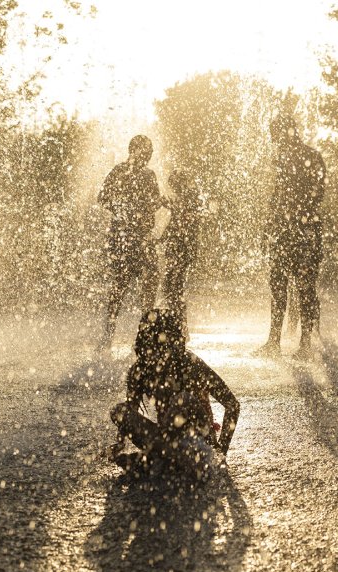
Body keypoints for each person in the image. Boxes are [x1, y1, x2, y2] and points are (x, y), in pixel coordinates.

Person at [109, 309, 240, 478]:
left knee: (182, 400)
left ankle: (156, 461)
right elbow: (130, 412)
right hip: (163, 442)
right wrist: (119, 444)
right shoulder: (140, 370)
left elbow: (232, 405)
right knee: (119, 411)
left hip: (198, 443)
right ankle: (164, 460)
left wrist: (221, 453)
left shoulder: (190, 363)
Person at [255, 104, 325, 359]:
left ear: (288, 132)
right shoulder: (282, 158)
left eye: (277, 135)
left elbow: (317, 195)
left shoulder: (311, 156)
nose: (275, 141)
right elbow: (276, 198)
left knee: (304, 287)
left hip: (304, 231)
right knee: (279, 285)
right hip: (286, 231)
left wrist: (297, 216)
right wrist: (268, 228)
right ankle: (274, 340)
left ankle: (305, 343)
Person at [96, 135, 162, 352]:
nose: (149, 155)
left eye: (151, 151)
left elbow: (153, 203)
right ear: (134, 151)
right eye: (146, 150)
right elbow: (103, 198)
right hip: (125, 238)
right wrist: (126, 210)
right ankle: (108, 338)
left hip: (140, 237)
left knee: (147, 283)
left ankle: (143, 337)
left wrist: (149, 206)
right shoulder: (120, 171)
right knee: (121, 286)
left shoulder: (148, 174)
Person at [161, 169, 204, 334]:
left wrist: (171, 205)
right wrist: (162, 238)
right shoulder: (184, 197)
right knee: (171, 286)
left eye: (175, 184)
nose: (173, 188)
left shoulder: (191, 196)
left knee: (175, 286)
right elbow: (174, 222)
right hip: (178, 247)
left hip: (183, 248)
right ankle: (179, 326)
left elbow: (184, 219)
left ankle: (181, 328)